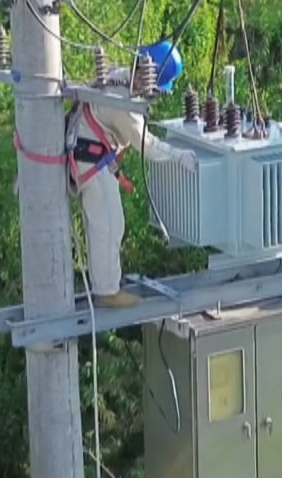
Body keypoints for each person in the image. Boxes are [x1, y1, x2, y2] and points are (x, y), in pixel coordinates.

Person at [69, 41, 195, 308]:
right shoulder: (122, 103)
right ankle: (106, 291)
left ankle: (105, 283)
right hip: (90, 162)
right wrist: (178, 155)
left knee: (105, 224)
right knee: (110, 225)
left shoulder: (117, 77)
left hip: (86, 157)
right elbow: (146, 145)